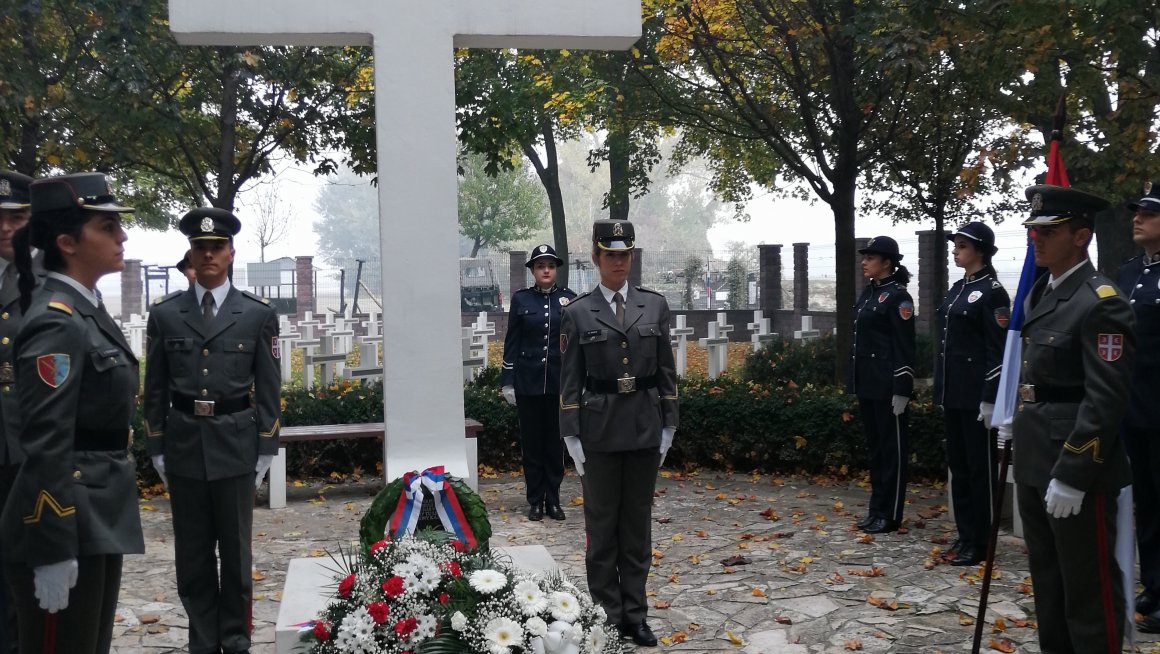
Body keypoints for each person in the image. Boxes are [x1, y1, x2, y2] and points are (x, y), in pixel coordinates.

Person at [0, 172, 143, 654]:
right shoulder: (56, 322)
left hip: (96, 510)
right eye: (106, 227)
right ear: (67, 242)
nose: (122, 236)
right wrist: (51, 546)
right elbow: (45, 442)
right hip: (67, 520)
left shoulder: (85, 311)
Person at [997, 184, 1134, 652]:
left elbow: (1106, 398)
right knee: (1049, 583)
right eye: (1033, 231)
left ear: (1081, 236)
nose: (1036, 239)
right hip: (1038, 456)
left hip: (1077, 466)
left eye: (1049, 232)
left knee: (1088, 588)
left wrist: (1075, 473)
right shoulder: (1043, 290)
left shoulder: (1101, 300)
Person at [143, 208, 281, 654]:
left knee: (237, 557)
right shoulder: (166, 314)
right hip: (184, 443)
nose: (208, 255)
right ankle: (202, 643)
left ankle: (236, 641)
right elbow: (155, 387)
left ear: (230, 252)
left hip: (236, 443)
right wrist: (157, 445)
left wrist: (266, 447)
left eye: (216, 247)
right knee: (193, 557)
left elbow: (269, 387)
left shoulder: (256, 314)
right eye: (200, 248)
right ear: (191, 253)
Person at [559, 219, 677, 647]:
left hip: (644, 428)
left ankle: (636, 615)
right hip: (599, 432)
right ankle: (607, 614)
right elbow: (570, 379)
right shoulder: (577, 312)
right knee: (602, 528)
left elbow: (666, 371)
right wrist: (571, 435)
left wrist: (670, 423)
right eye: (610, 254)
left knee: (636, 528)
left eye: (625, 254)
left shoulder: (654, 306)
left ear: (632, 257)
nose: (618, 262)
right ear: (595, 258)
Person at [932, 222, 1009, 566]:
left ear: (980, 250)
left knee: (980, 470)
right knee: (960, 467)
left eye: (962, 245)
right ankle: (965, 534)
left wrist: (991, 396)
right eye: (955, 245)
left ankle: (981, 540)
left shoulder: (993, 292)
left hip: (976, 396)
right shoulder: (957, 289)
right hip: (954, 393)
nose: (955, 250)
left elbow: (998, 349)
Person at [500, 244, 576, 521]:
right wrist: (508, 380)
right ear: (532, 270)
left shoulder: (570, 300)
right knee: (532, 445)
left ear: (556, 270)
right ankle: (535, 500)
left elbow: (574, 347)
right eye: (541, 266)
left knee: (555, 445)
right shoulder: (521, 300)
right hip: (528, 384)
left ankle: (553, 500)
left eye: (551, 266)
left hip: (558, 384)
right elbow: (512, 342)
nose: (546, 270)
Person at [847, 235, 916, 535]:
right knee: (876, 450)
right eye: (865, 257)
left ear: (887, 262)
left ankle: (891, 514)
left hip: (888, 385)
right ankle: (876, 509)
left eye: (871, 258)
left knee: (893, 452)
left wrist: (902, 388)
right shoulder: (870, 293)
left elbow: (904, 347)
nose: (864, 261)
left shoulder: (900, 297)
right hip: (869, 383)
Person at [1115, 181, 1160, 633]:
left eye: (1148, 212)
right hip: (1134, 410)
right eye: (1136, 211)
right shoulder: (1129, 273)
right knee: (1146, 501)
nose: (1137, 217)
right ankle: (1155, 584)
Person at [0, 171, 35, 654]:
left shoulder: (48, 281)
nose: (7, 228)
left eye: (18, 217)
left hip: (29, 438)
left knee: (26, 559)